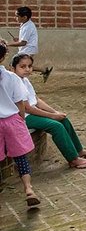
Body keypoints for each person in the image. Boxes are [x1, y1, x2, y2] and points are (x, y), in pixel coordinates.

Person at [12, 53, 86, 169]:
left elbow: (36, 100)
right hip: (23, 116)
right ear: (13, 68)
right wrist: (52, 116)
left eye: (29, 66)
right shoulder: (15, 82)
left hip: (31, 112)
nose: (27, 69)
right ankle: (74, 160)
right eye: (22, 66)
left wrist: (55, 112)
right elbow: (27, 108)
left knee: (63, 119)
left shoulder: (25, 80)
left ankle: (79, 150)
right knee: (56, 126)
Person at [0, 42, 41, 208]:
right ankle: (29, 189)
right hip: (12, 120)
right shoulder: (12, 78)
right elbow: (20, 103)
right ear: (3, 57)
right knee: (20, 157)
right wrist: (21, 120)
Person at [8, 6, 51, 80]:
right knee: (22, 65)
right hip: (27, 48)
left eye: (17, 16)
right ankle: (44, 71)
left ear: (24, 17)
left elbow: (23, 43)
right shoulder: (25, 24)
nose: (15, 18)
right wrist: (18, 39)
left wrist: (7, 44)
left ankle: (22, 81)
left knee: (18, 65)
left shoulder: (27, 27)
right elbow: (24, 39)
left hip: (28, 49)